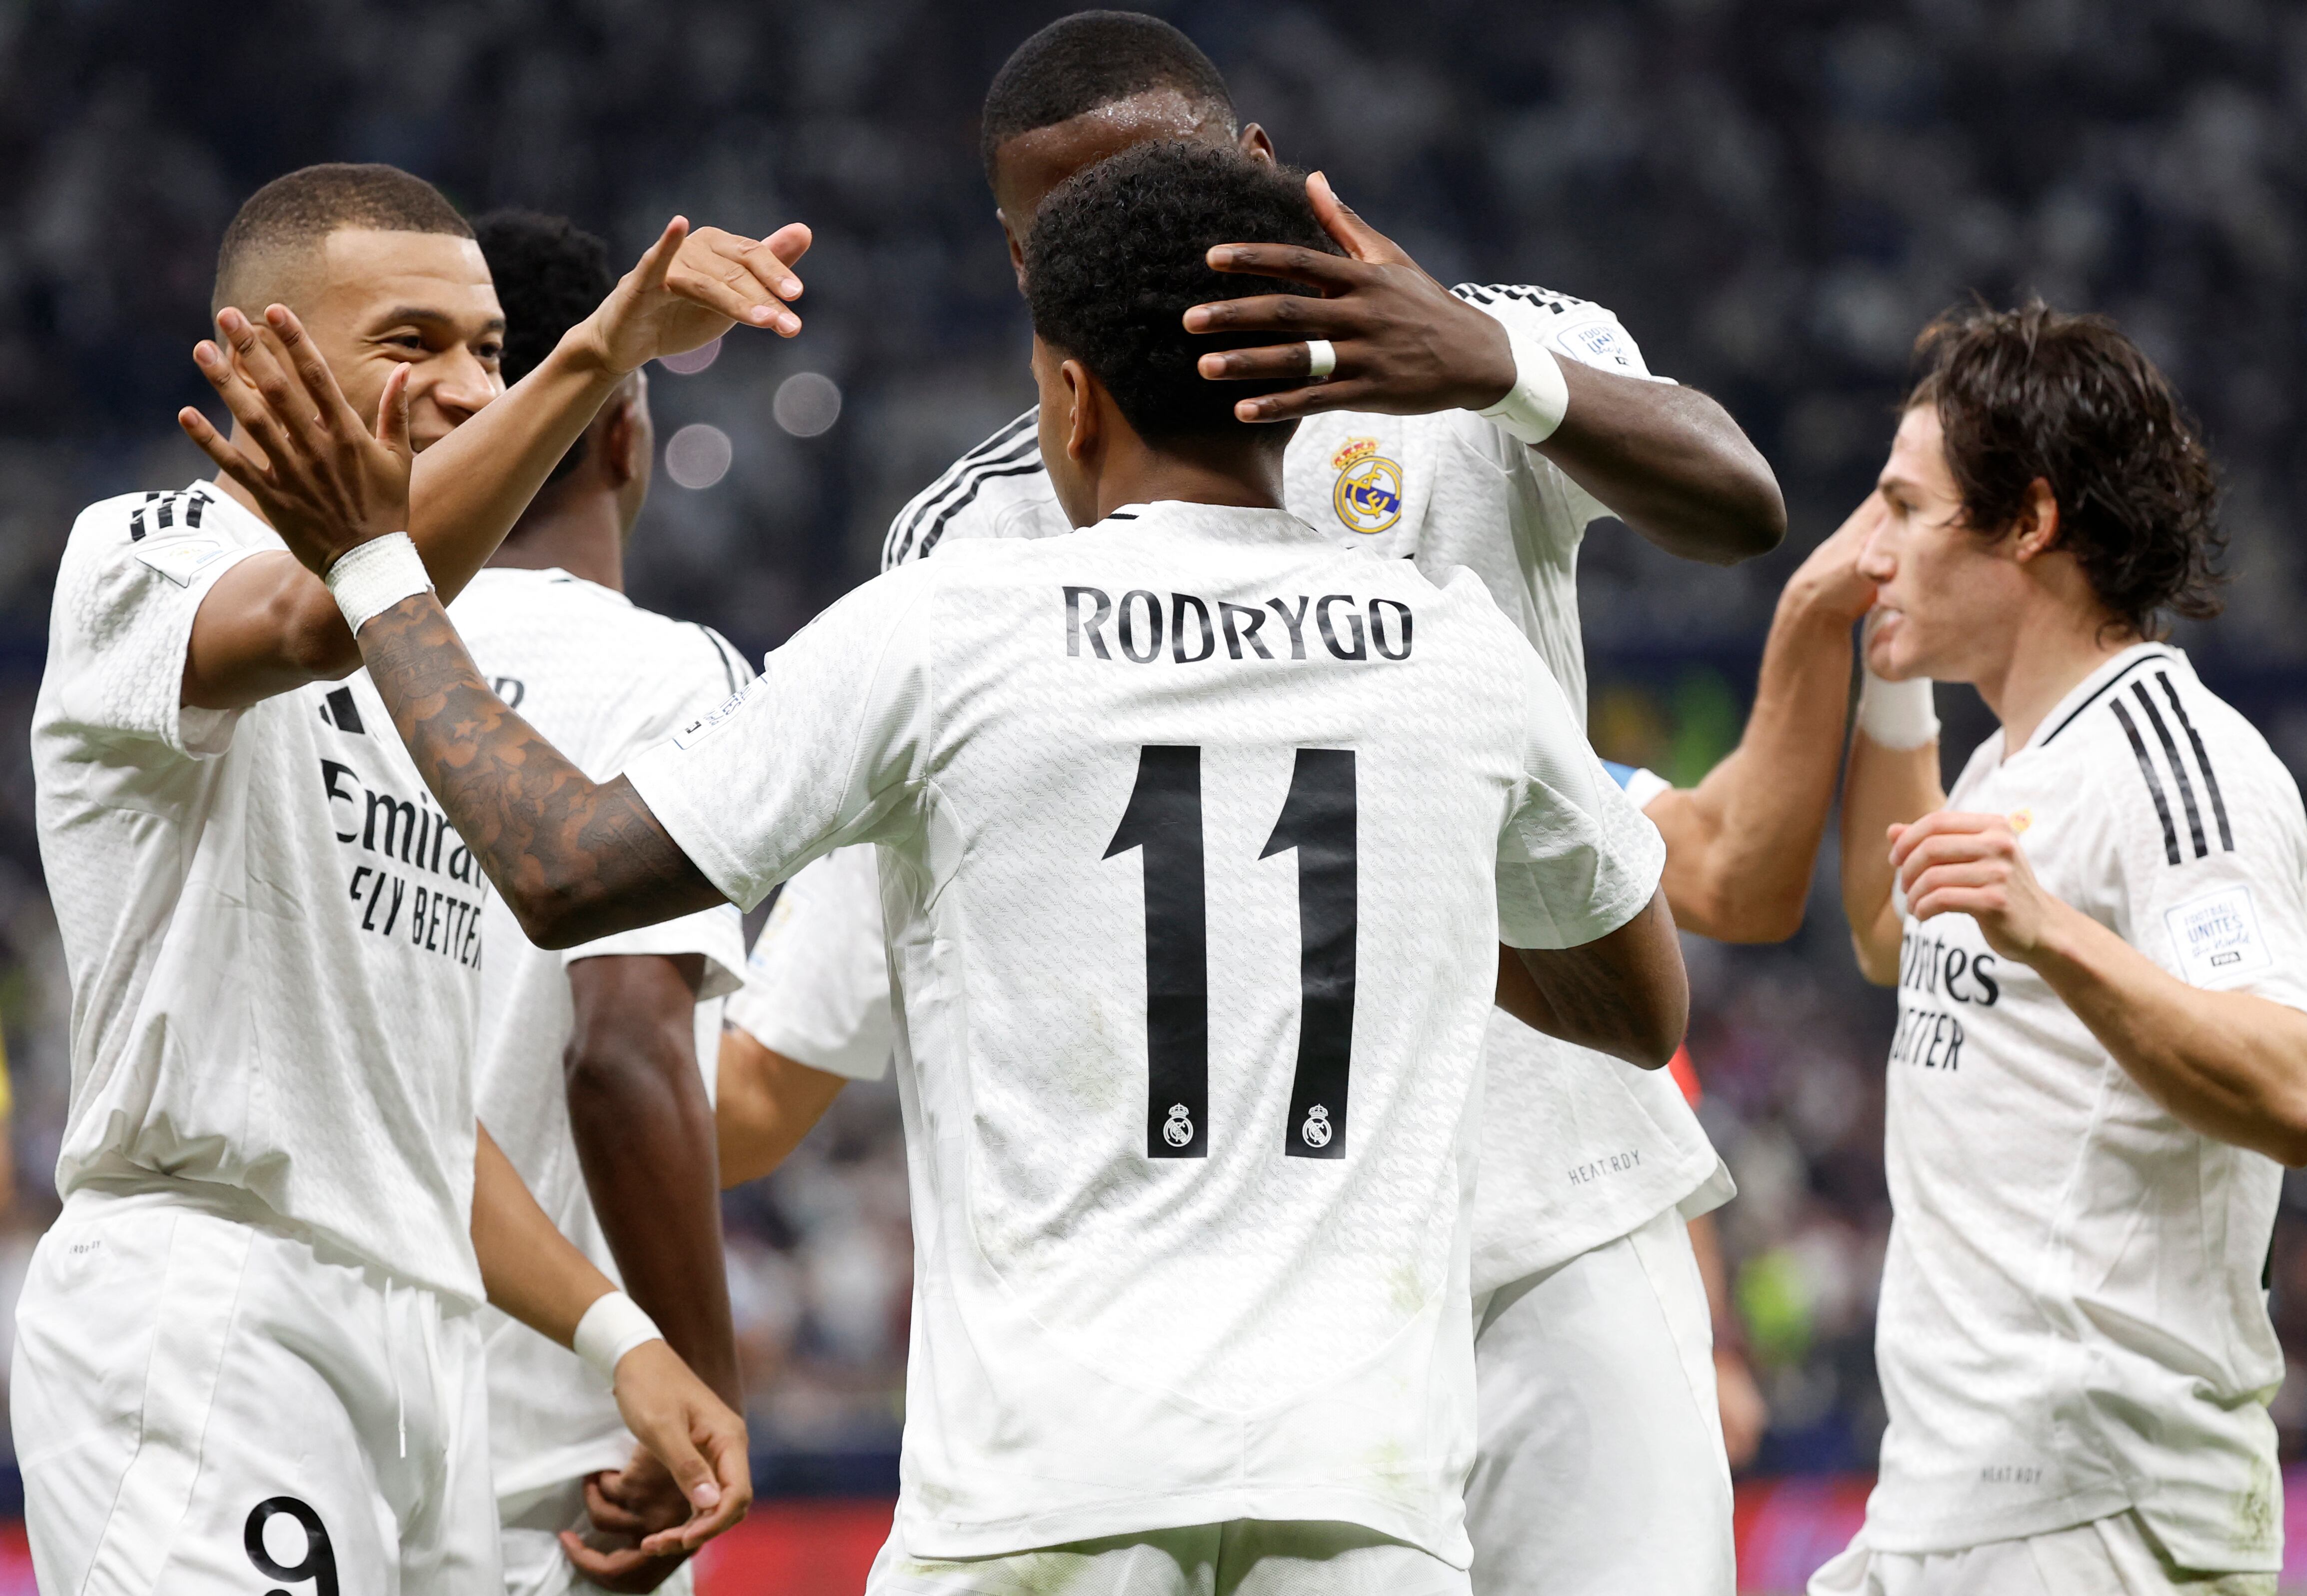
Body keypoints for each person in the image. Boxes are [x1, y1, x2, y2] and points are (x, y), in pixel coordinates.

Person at [201, 140, 1690, 1596]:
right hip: (1370, 1505)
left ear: (1069, 392)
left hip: (1038, 1501)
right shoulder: (1453, 651)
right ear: (1297, 399)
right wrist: (1386, 892)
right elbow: (1642, 1012)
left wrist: (375, 569)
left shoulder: (946, 628)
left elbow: (561, 864)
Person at [711, 15, 1863, 1590]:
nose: (1132, 246)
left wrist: (1498, 372)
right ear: (1015, 257)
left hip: (1548, 1228)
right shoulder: (972, 536)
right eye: (1065, 231)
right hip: (1225, 1310)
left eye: (1162, 189)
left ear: (1256, 169)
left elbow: (1738, 501)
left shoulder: (1482, 358)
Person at [19, 162, 803, 1593]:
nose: (467, 385)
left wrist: (626, 1343)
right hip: (212, 1304)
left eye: (491, 348)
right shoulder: (143, 560)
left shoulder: (418, 680)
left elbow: (412, 1122)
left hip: (429, 1342)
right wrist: (590, 359)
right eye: (412, 344)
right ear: (266, 358)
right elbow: (318, 612)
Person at [1813, 302, 2307, 1596]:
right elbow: (1891, 934)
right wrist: (1889, 676)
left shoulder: (2175, 761)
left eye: (1904, 508)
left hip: (2101, 1509)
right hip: (1956, 1495)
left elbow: (2298, 1087)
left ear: (2030, 523)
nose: (1868, 548)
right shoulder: (2007, 764)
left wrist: (2049, 930)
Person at [450, 211, 754, 1596]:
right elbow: (624, 1044)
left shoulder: (322, 656)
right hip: (570, 1467)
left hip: (333, 1419)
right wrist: (696, 1381)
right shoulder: (669, 678)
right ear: (626, 430)